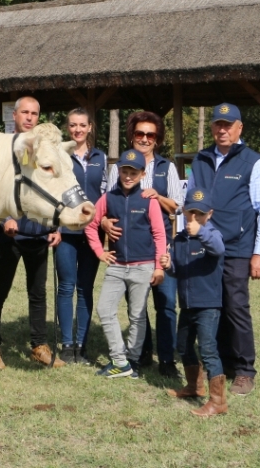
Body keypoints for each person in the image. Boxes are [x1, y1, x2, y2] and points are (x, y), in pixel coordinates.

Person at [189, 103, 260, 397]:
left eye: (228, 125)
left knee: (235, 307)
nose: (222, 130)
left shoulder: (254, 162)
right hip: (204, 246)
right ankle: (220, 363)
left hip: (238, 248)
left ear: (240, 128)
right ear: (212, 127)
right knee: (212, 307)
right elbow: (192, 202)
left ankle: (245, 370)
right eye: (218, 125)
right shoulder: (199, 160)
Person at [102, 111, 184, 378]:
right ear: (132, 136)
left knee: (166, 303)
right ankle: (142, 353)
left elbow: (178, 207)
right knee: (136, 306)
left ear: (157, 139)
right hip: (129, 250)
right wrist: (103, 223)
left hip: (161, 249)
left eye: (151, 134)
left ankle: (168, 358)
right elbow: (107, 202)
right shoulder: (119, 167)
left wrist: (156, 196)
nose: (145, 139)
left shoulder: (166, 167)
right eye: (140, 134)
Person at [0, 97, 64, 370]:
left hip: (38, 233)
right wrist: (5, 218)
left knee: (38, 293)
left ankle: (38, 346)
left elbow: (50, 188)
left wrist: (55, 227)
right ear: (14, 115)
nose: (29, 117)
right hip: (8, 235)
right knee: (0, 291)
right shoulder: (2, 149)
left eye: (34, 114)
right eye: (25, 113)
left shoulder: (42, 150)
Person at [86, 149, 168, 379]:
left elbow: (160, 234)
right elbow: (91, 224)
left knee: (137, 316)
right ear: (118, 171)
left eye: (133, 172)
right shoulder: (108, 198)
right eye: (124, 171)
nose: (128, 175)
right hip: (116, 266)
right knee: (104, 309)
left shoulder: (148, 200)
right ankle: (120, 361)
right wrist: (99, 252)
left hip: (144, 267)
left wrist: (159, 267)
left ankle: (132, 360)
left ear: (142, 174)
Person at [162, 186, 228, 417]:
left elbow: (218, 249)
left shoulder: (213, 235)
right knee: (183, 345)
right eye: (191, 213)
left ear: (209, 214)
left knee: (208, 350)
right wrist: (168, 264)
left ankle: (218, 402)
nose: (195, 217)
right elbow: (178, 271)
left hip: (208, 305)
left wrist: (201, 231)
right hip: (187, 305)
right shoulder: (179, 240)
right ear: (184, 212)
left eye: (200, 214)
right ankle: (194, 386)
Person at [54, 107, 106, 365]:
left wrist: (103, 220)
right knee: (66, 287)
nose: (77, 129)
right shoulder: (60, 157)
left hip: (92, 233)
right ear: (68, 127)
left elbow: (105, 194)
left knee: (85, 288)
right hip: (66, 231)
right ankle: (66, 344)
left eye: (82, 125)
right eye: (73, 125)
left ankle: (81, 345)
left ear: (90, 128)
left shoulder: (102, 158)